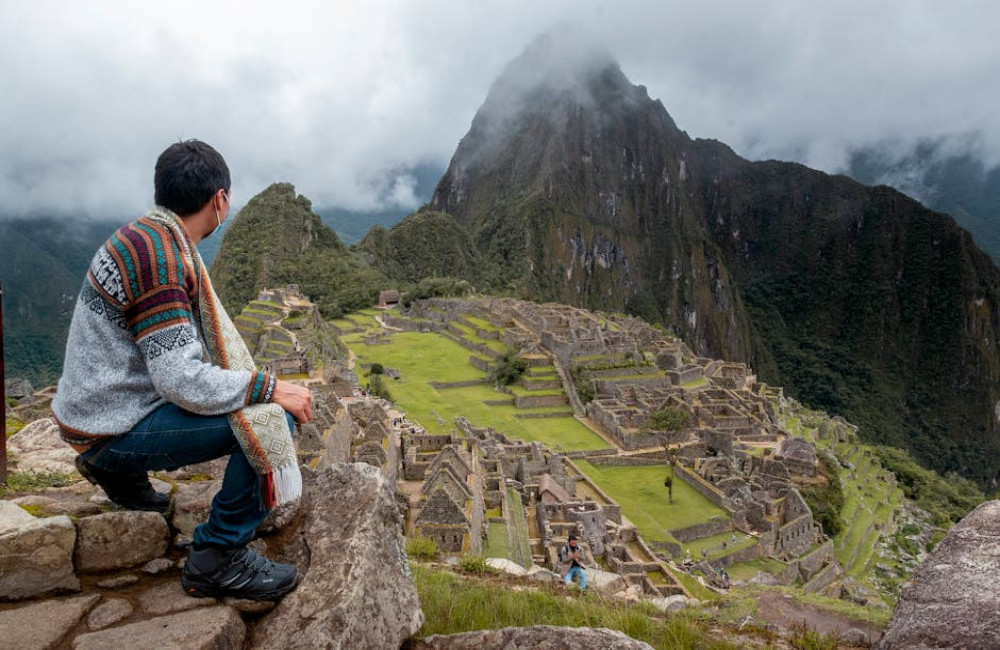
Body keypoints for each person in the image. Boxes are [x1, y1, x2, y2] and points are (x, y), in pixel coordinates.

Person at [52, 140, 313, 602]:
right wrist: (269, 388)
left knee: (258, 404)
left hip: (92, 409)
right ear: (220, 200)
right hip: (109, 424)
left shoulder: (143, 235)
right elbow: (180, 380)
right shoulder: (162, 258)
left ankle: (119, 476)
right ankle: (218, 554)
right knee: (271, 421)